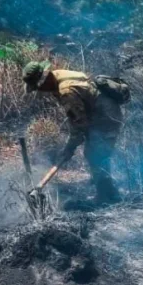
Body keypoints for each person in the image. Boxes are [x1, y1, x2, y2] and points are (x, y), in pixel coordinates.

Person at [22, 62, 124, 203]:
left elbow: (79, 126)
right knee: (95, 153)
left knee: (96, 154)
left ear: (44, 80)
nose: (40, 91)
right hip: (98, 113)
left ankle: (107, 197)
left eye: (38, 87)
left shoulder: (67, 91)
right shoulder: (57, 74)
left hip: (106, 116)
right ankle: (108, 189)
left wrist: (68, 149)